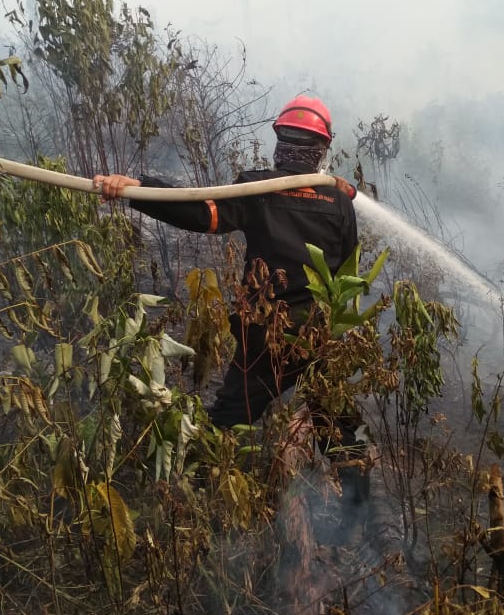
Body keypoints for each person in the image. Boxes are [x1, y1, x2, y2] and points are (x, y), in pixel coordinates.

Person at [94, 95, 359, 434]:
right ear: (323, 147)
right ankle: (351, 482)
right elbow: (348, 273)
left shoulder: (258, 188)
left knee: (226, 426)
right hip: (319, 336)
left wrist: (140, 190)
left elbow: (200, 212)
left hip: (264, 338)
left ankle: (206, 480)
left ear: (280, 139)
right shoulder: (337, 201)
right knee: (341, 434)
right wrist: (140, 189)